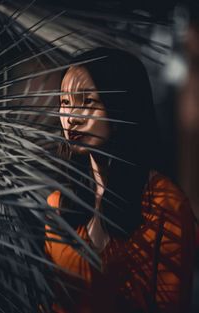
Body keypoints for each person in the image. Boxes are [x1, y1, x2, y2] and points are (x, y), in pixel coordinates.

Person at [45, 48, 195, 313]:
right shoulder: (57, 204)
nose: (72, 118)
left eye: (87, 102)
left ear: (123, 107)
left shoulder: (164, 204)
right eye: (65, 103)